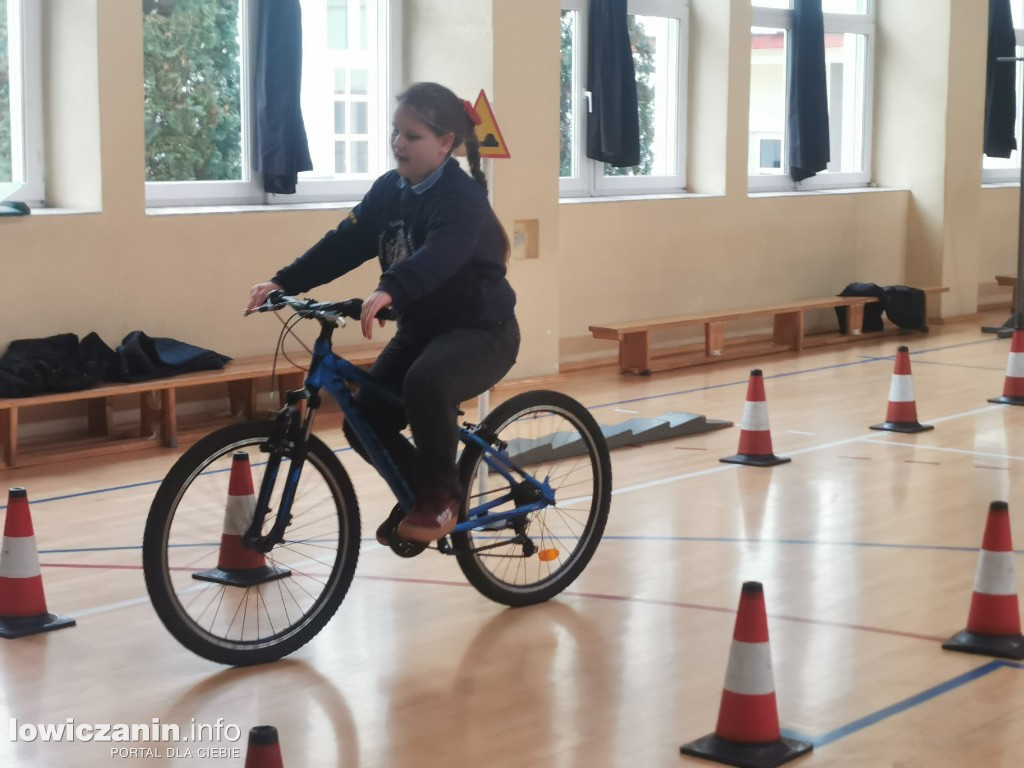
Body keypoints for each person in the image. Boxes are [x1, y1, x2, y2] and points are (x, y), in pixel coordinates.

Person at [246, 82, 519, 545]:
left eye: (411, 136)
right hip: (422, 330)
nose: (398, 144)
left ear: (445, 143)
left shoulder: (461, 199)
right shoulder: (390, 189)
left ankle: (441, 496)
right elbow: (344, 243)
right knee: (363, 416)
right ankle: (424, 492)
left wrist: (392, 286)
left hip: (481, 331)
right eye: (396, 132)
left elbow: (440, 254)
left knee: (426, 383)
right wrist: (284, 282)